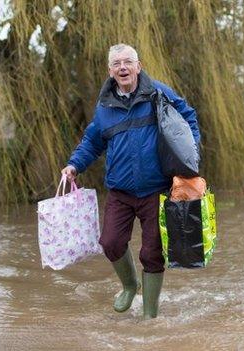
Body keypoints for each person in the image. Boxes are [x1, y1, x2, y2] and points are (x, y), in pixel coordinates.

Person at [61, 44, 200, 319]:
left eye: (128, 62)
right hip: (120, 191)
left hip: (156, 189)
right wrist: (74, 165)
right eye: (116, 63)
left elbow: (189, 118)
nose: (122, 67)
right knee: (110, 242)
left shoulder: (158, 93)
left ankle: (150, 316)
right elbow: (92, 142)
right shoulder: (104, 107)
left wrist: (190, 153)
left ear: (138, 66)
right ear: (110, 71)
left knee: (152, 253)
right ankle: (129, 285)